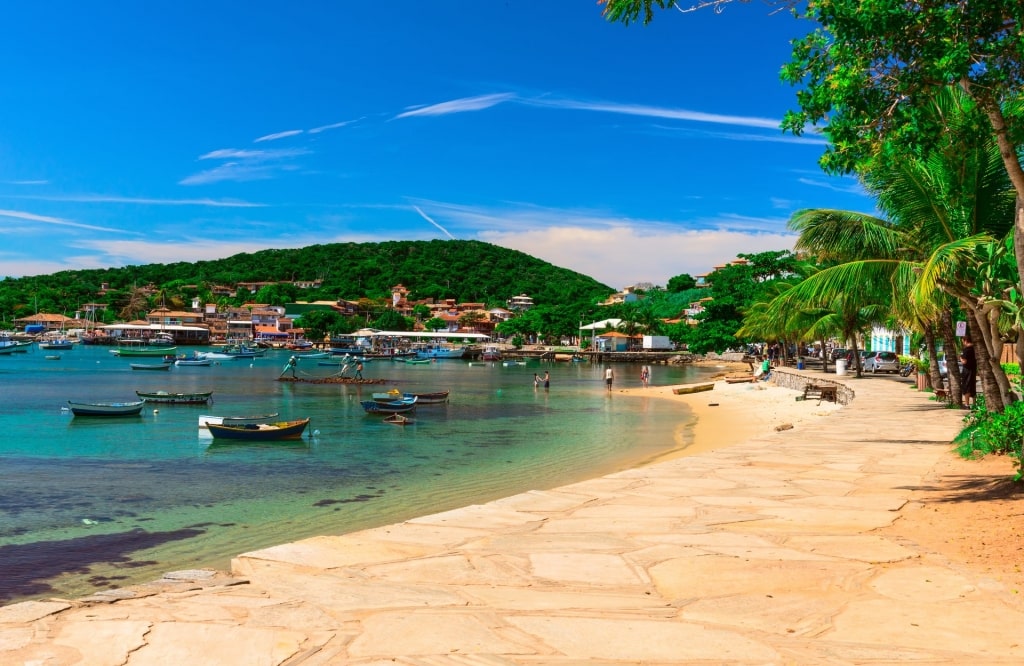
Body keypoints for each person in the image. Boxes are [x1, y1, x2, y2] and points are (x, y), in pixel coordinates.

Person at [959, 338, 977, 409]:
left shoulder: (966, 350)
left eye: (963, 341)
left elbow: (964, 362)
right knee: (973, 386)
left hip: (967, 370)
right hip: (973, 369)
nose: (963, 343)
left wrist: (960, 358)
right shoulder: (975, 349)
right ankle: (975, 404)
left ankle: (967, 404)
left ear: (966, 341)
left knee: (967, 386)